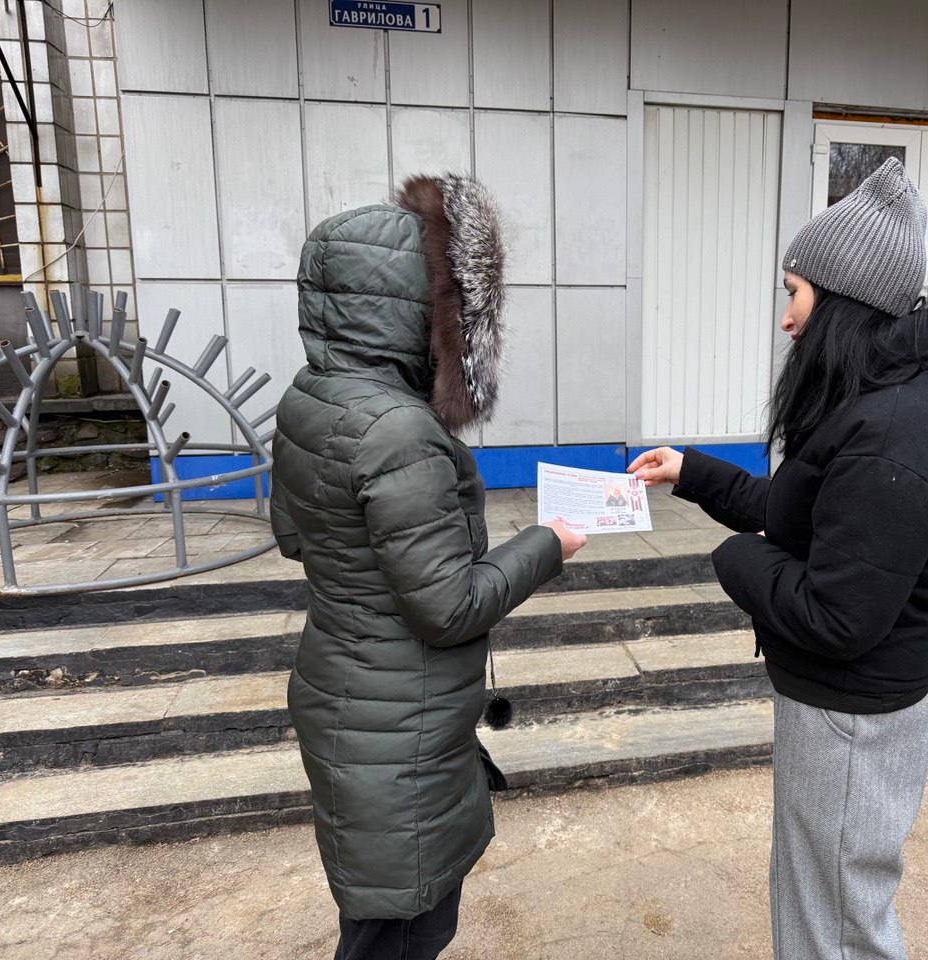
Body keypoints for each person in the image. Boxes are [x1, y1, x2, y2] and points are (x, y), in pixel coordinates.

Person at [630, 158, 928, 960]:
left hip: (854, 716)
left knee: (837, 929)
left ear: (844, 303)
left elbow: (838, 615)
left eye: (794, 293)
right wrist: (694, 473)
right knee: (818, 903)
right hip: (837, 710)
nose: (786, 319)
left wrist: (736, 562)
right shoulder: (867, 409)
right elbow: (803, 516)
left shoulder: (896, 436)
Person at [269, 174, 587, 960]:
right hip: (394, 726)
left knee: (383, 917)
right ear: (417, 313)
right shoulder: (400, 432)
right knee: (404, 930)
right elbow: (448, 606)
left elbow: (295, 537)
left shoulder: (313, 398)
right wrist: (552, 541)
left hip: (352, 696)